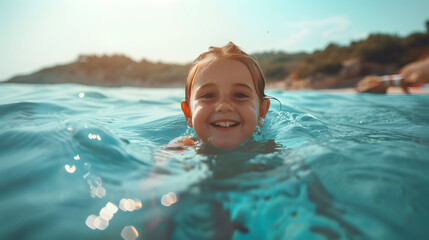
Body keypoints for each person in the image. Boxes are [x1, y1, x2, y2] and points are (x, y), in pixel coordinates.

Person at [172, 42, 271, 149]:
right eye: (208, 95)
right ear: (188, 114)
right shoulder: (178, 150)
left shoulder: (270, 151)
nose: (224, 106)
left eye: (240, 95)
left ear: (261, 111)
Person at [356, 56, 429, 94]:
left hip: (396, 81)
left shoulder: (383, 81)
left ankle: (362, 89)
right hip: (394, 81)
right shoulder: (383, 81)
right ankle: (362, 89)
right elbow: (402, 82)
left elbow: (402, 82)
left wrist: (406, 92)